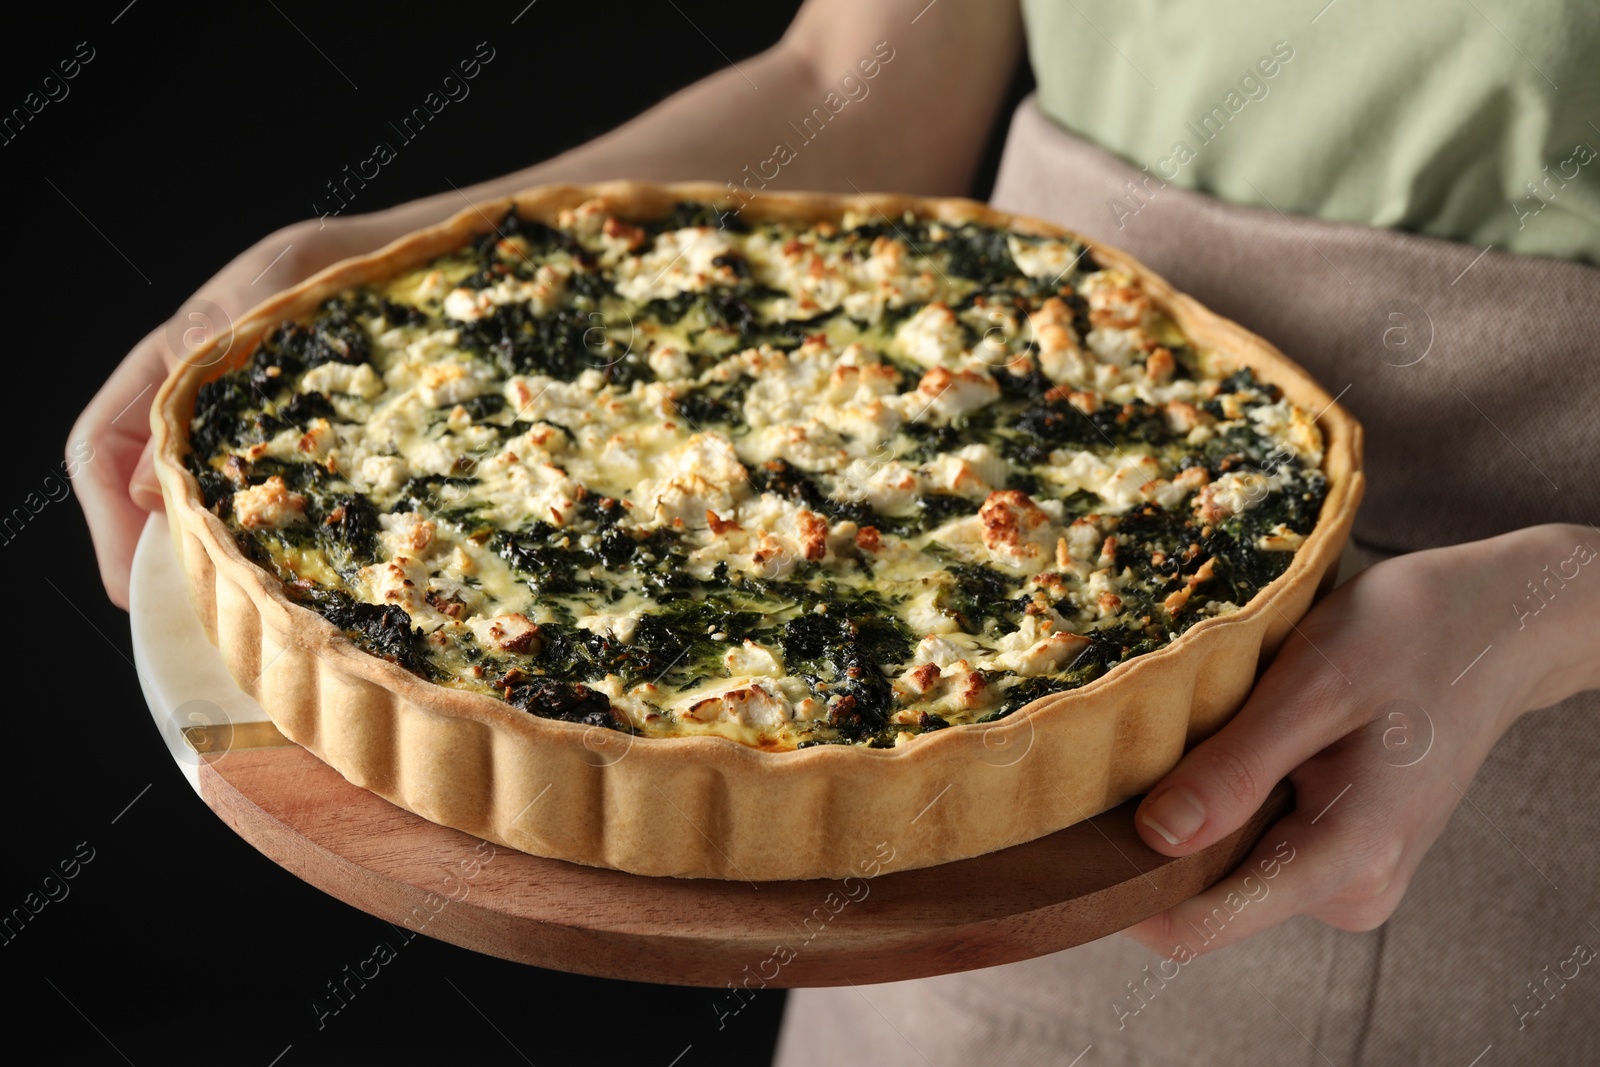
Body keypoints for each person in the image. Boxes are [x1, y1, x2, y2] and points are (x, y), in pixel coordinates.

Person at [70, 1, 1600, 1062]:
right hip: (957, 589)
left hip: (1533, 748)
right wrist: (401, 273)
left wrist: (1551, 601)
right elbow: (856, 82)